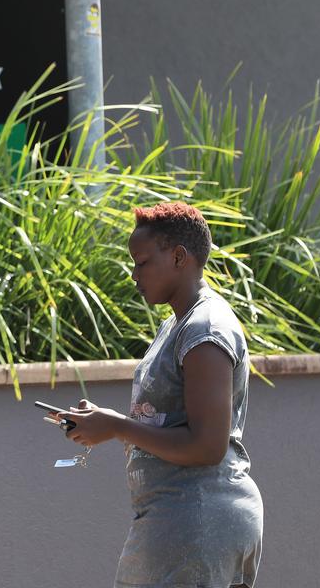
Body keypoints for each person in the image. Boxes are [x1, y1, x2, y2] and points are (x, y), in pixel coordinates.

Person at [56, 201, 264, 588]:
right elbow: (171, 422)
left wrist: (117, 426)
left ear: (179, 257)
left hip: (196, 521)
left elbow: (207, 446)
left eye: (142, 262)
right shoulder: (179, 323)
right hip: (179, 518)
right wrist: (104, 422)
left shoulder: (205, 328)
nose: (134, 274)